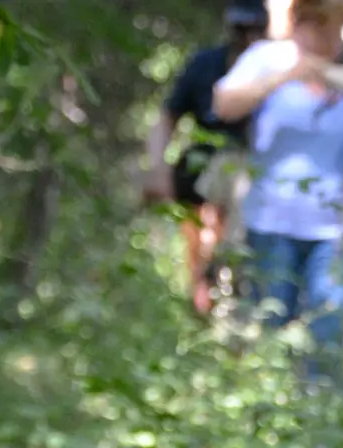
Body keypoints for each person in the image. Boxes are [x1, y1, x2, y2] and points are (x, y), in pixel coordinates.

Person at [214, 0, 343, 391]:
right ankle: (265, 415)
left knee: (327, 331)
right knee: (270, 324)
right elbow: (223, 105)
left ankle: (319, 427)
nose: (315, 31)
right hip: (271, 220)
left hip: (334, 226)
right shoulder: (267, 57)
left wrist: (336, 79)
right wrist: (281, 78)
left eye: (325, 22)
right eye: (307, 20)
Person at [143, 0, 272, 316]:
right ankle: (200, 290)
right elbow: (167, 117)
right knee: (200, 230)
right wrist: (157, 167)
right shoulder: (205, 63)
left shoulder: (275, 68)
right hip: (203, 161)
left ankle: (228, 291)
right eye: (242, 29)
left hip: (254, 169)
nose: (248, 38)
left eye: (254, 30)